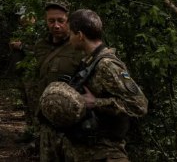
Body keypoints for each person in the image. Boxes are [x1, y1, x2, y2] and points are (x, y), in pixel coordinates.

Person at [61, 9, 148, 162]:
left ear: (80, 35)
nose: (69, 40)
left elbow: (139, 105)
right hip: (88, 150)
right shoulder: (88, 62)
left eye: (71, 34)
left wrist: (95, 103)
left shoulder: (107, 65)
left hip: (106, 151)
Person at [24, 0, 86, 162]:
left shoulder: (80, 45)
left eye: (61, 21)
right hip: (47, 122)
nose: (56, 25)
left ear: (69, 21)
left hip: (73, 126)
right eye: (51, 21)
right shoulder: (41, 45)